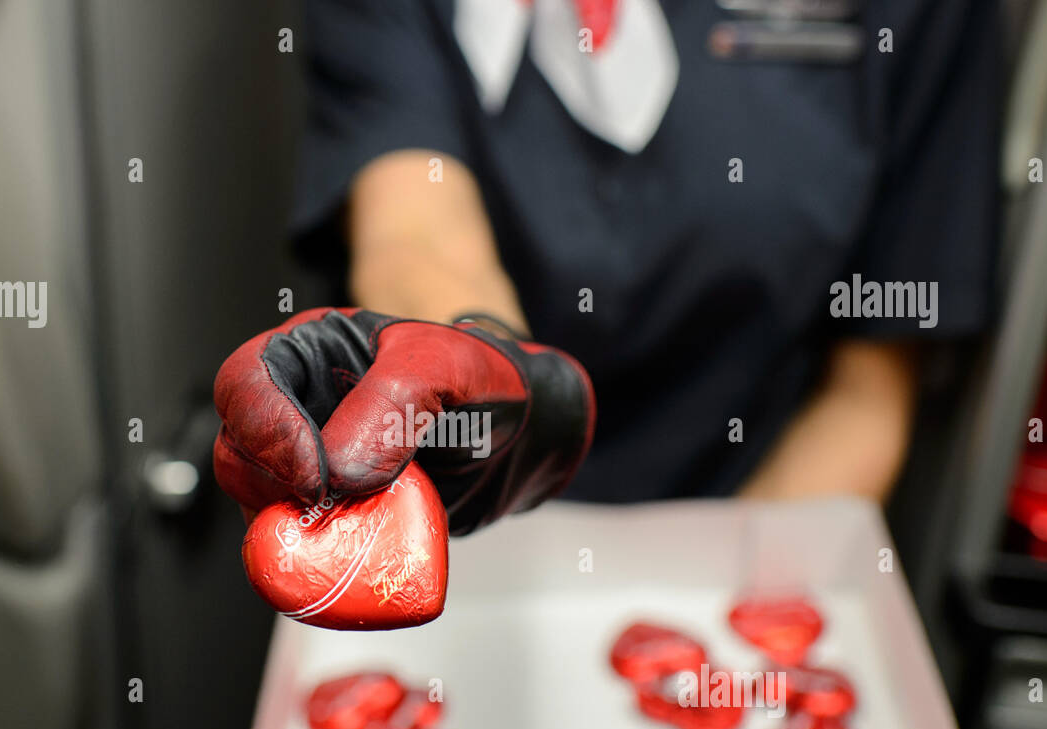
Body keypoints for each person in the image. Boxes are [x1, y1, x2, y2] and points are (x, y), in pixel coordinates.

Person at [213, 0, 1001, 531]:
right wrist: (481, 371)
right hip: (452, 538)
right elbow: (416, 233)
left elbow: (866, 397)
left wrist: (711, 637)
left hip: (763, 520)